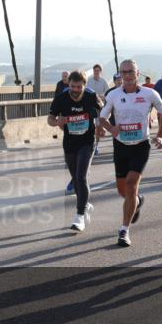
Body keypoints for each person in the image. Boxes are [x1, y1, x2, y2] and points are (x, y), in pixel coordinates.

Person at [98, 59, 162, 247]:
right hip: (121, 146)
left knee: (131, 184)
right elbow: (102, 117)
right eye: (124, 72)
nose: (127, 75)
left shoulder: (149, 93)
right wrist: (111, 128)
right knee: (123, 191)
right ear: (120, 75)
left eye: (131, 72)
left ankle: (124, 230)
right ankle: (137, 201)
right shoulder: (114, 95)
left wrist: (160, 136)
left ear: (138, 74)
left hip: (141, 145)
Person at [49, 70, 102, 231]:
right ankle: (85, 205)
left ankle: (79, 216)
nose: (75, 90)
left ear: (84, 86)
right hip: (70, 142)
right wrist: (58, 121)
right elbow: (50, 119)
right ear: (69, 84)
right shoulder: (61, 98)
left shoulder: (91, 96)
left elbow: (103, 111)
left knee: (81, 176)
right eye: (72, 86)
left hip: (87, 141)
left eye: (79, 87)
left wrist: (101, 125)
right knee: (75, 179)